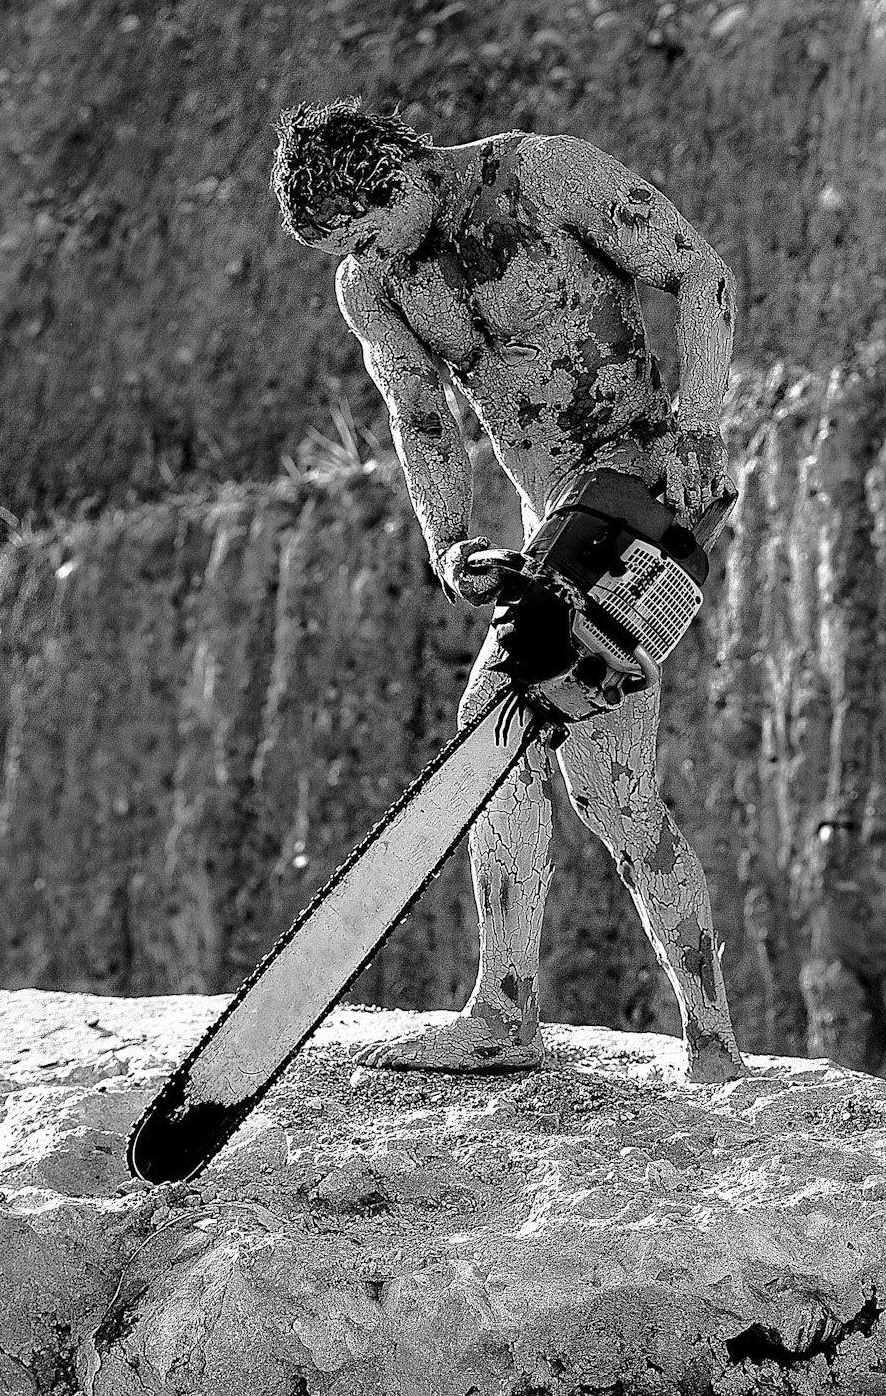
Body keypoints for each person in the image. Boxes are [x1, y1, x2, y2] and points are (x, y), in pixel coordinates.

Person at [272, 98, 747, 1082]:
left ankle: (507, 1010)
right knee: (612, 797)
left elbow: (696, 270)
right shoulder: (373, 283)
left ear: (399, 173)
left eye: (366, 232)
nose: (362, 257)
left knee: (499, 719)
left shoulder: (540, 174)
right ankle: (707, 1044)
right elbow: (419, 416)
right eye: (346, 248)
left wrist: (698, 423)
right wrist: (448, 540)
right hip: (551, 523)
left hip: (637, 484)